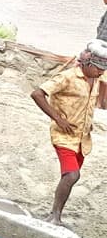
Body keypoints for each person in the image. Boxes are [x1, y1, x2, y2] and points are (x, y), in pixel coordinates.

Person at [31, 41, 107, 226]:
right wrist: (58, 118)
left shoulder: (96, 79)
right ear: (87, 65)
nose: (101, 72)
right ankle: (54, 216)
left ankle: (56, 214)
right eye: (98, 68)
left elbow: (99, 104)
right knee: (72, 175)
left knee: (69, 177)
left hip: (82, 138)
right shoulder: (67, 77)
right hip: (63, 136)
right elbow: (37, 94)